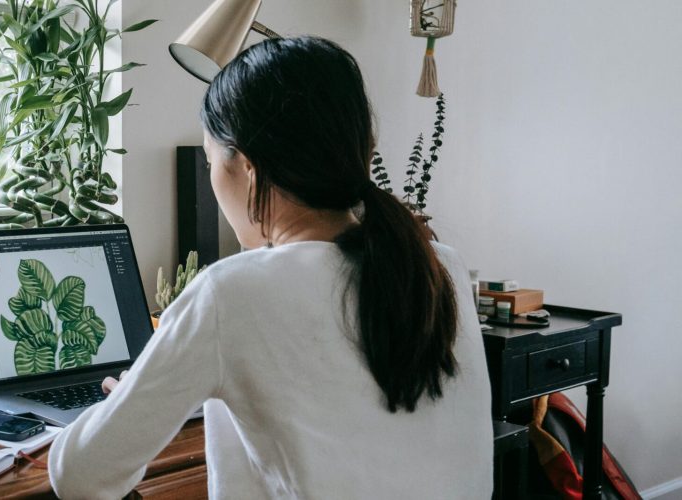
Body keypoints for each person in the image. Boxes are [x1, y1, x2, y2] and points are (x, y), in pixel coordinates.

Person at [47, 36, 492, 499]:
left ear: (248, 167)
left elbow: (79, 475)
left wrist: (128, 400)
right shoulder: (440, 266)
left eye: (210, 161)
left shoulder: (231, 293)